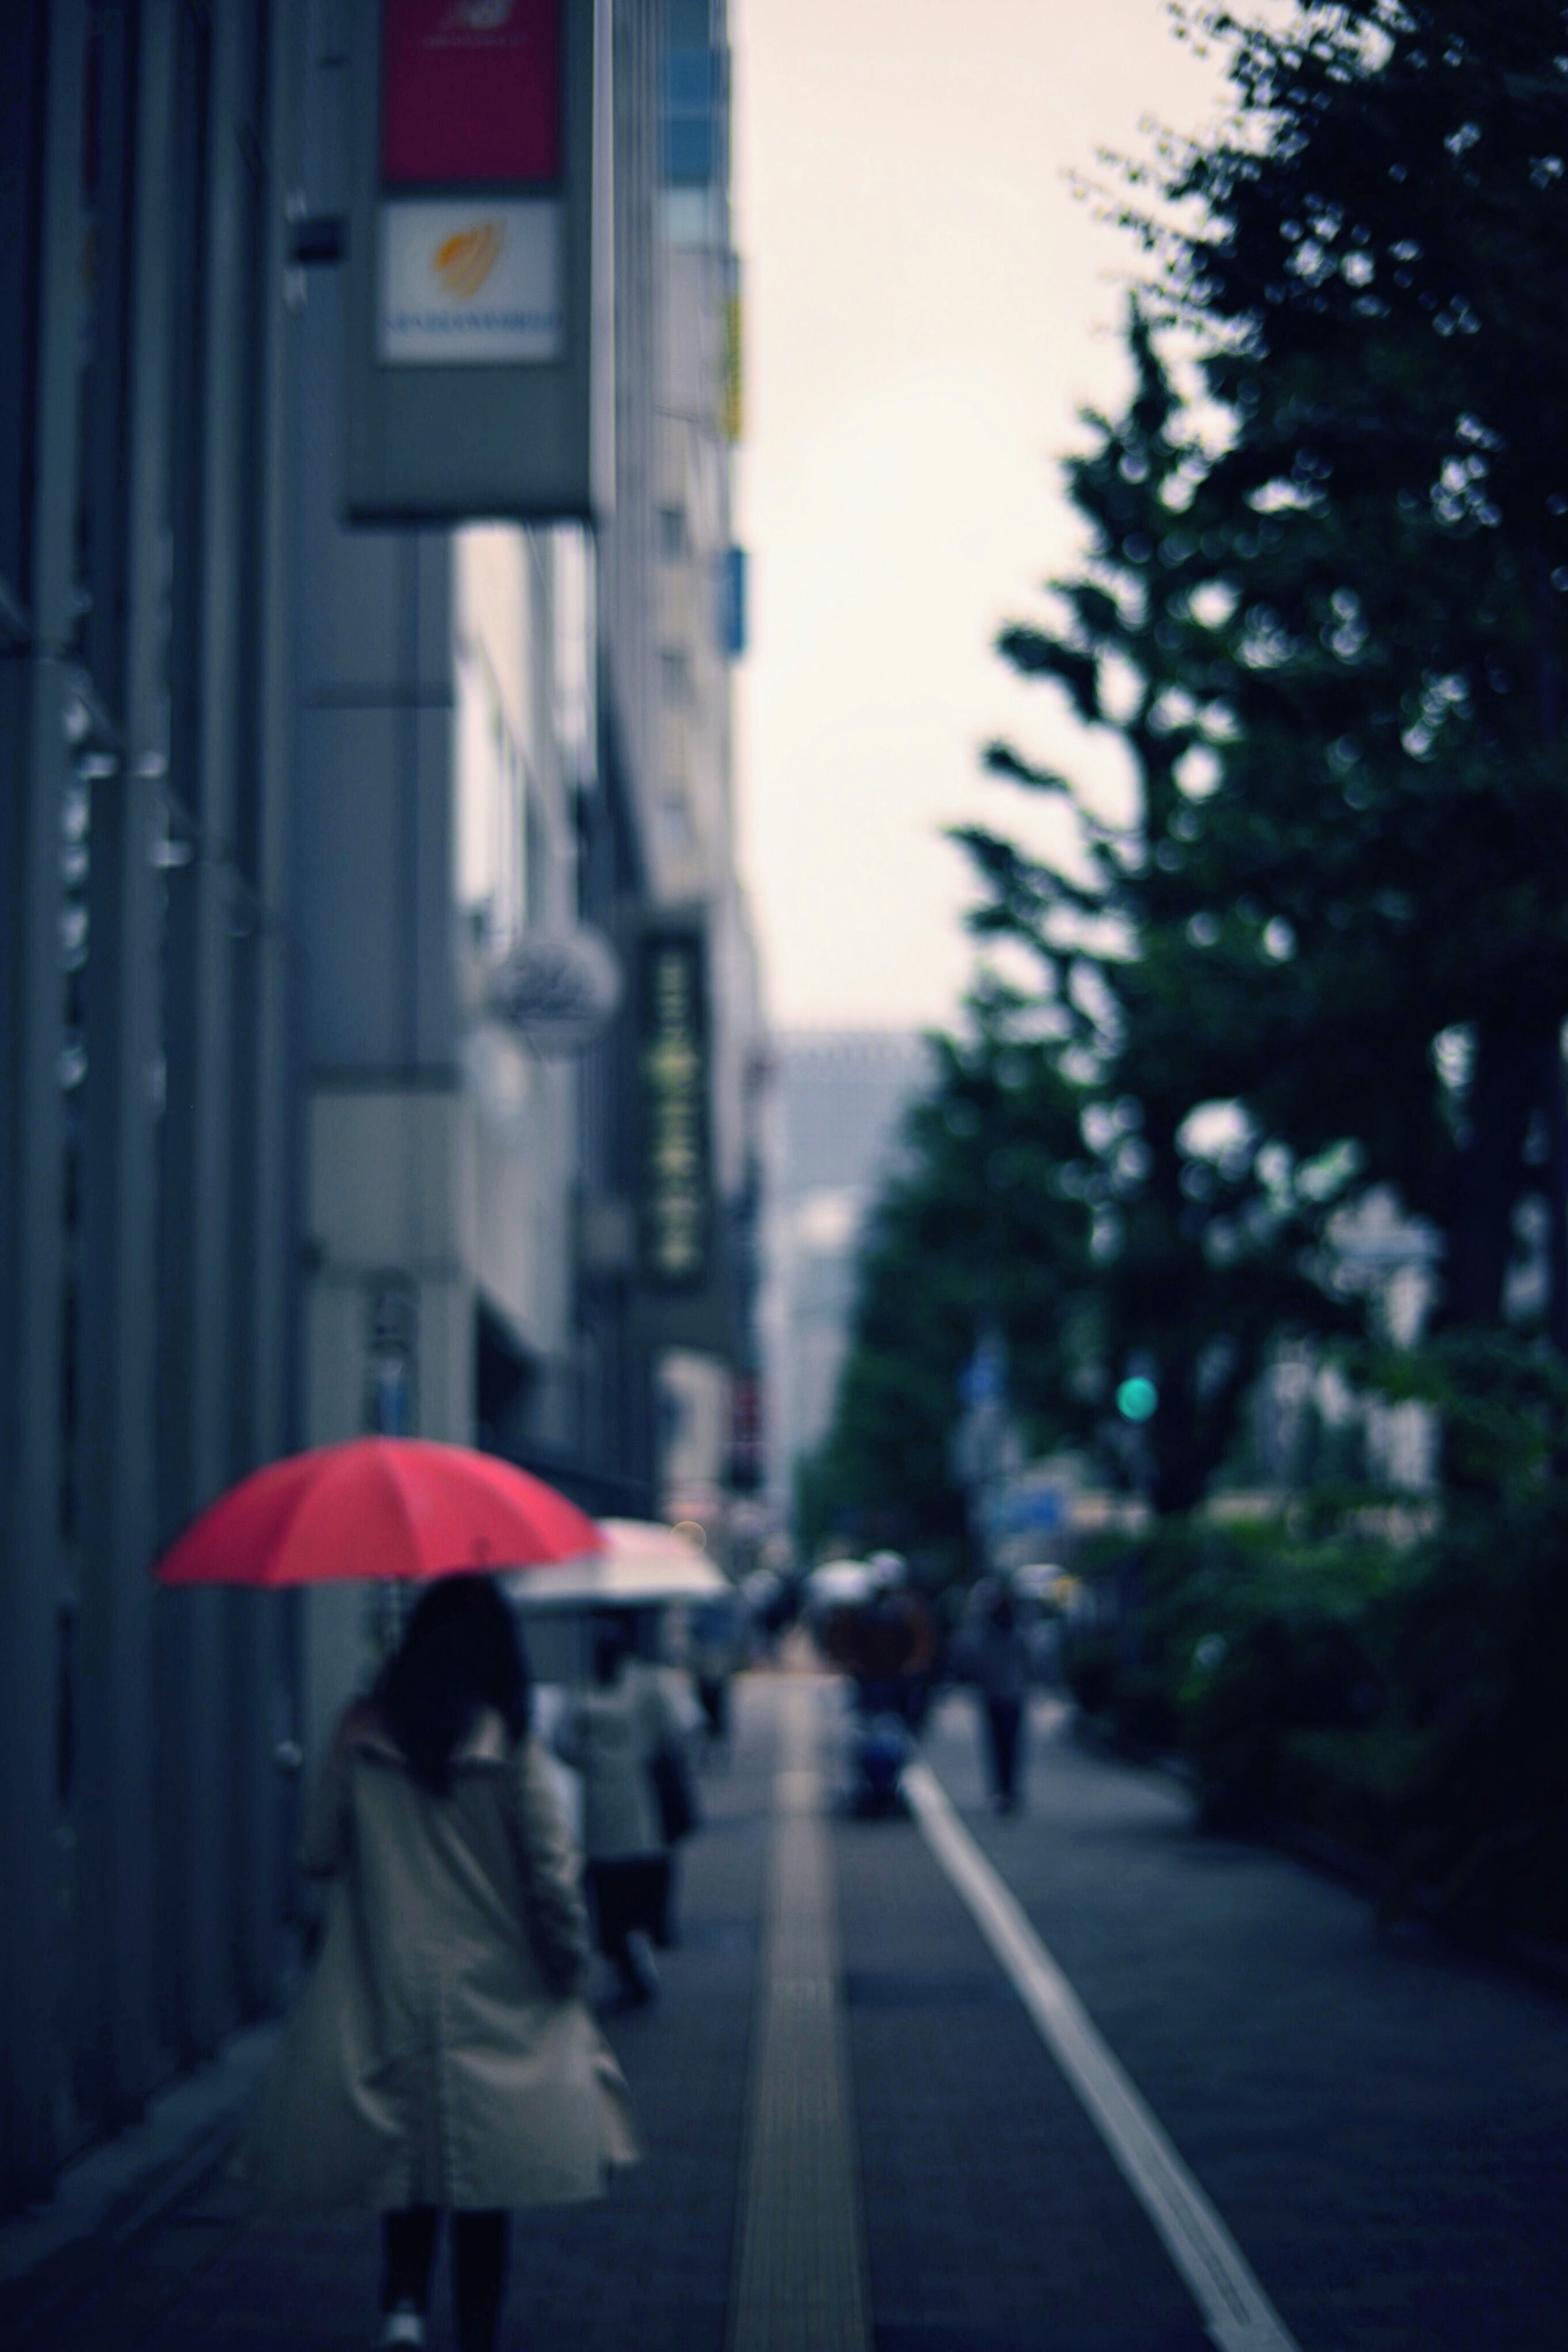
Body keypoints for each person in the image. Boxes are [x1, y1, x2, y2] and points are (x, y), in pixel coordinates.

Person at [246, 1575, 639, 2352]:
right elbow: (552, 1870)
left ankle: (401, 2305)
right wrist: (568, 1962)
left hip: (385, 1971)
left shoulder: (360, 1729)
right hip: (497, 1986)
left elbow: (318, 1851)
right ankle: (478, 2331)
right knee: (485, 2168)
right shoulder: (509, 1740)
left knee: (407, 2144)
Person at [554, 1616, 690, 2000]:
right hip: (625, 1804)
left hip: (621, 1804)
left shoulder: (592, 1688)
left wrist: (590, 1757)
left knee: (619, 1887)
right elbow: (673, 1735)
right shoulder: (639, 1685)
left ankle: (631, 1953)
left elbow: (562, 1742)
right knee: (627, 1885)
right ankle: (633, 1955)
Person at [971, 1579, 1031, 1813]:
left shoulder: (1009, 1628)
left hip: (1004, 1692)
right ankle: (1005, 1790)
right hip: (1004, 1692)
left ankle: (1006, 1790)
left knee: (1003, 1744)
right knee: (1006, 1744)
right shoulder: (990, 1629)